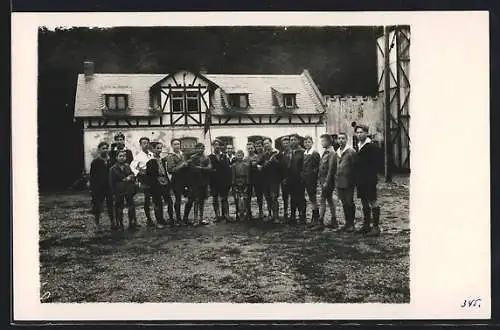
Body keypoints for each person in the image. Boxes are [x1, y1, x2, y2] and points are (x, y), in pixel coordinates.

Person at [354, 124, 381, 236]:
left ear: (366, 133)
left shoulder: (372, 146)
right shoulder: (359, 146)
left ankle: (375, 227)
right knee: (363, 201)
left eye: (361, 132)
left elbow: (377, 164)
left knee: (372, 201)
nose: (359, 134)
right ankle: (366, 225)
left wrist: (371, 175)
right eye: (357, 132)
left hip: (369, 178)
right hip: (360, 179)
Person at [145, 141, 174, 229]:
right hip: (155, 183)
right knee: (158, 203)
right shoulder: (150, 160)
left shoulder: (161, 159)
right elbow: (150, 174)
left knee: (169, 201)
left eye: (160, 148)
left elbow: (164, 171)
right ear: (152, 149)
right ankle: (159, 221)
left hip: (164, 181)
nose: (159, 150)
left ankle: (171, 219)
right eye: (157, 148)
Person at [109, 150, 138, 231]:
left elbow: (132, 174)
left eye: (124, 156)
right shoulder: (113, 168)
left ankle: (132, 223)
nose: (122, 158)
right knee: (119, 207)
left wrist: (131, 177)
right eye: (120, 156)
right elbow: (111, 182)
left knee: (131, 205)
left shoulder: (127, 166)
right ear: (116, 157)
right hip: (119, 189)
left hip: (128, 188)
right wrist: (113, 192)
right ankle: (120, 224)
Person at [89, 141, 115, 231]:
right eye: (103, 148)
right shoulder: (95, 162)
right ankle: (97, 223)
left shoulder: (111, 161)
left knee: (110, 205)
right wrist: (92, 189)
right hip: (98, 187)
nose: (105, 150)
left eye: (106, 148)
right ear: (99, 150)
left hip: (109, 186)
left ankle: (113, 223)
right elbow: (92, 176)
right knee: (97, 206)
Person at [336, 132, 357, 232]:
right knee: (344, 202)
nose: (341, 140)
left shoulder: (350, 151)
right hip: (340, 181)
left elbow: (355, 166)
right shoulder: (338, 152)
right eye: (339, 138)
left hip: (348, 181)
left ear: (346, 139)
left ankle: (351, 224)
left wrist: (353, 179)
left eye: (343, 138)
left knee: (349, 202)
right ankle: (347, 222)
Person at [316, 134, 338, 230]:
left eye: (323, 141)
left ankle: (320, 221)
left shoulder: (331, 152)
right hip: (323, 180)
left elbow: (331, 169)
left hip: (327, 181)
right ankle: (334, 221)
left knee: (322, 200)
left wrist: (327, 182)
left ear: (329, 141)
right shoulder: (326, 152)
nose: (322, 143)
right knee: (329, 199)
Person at [130, 137, 154, 227]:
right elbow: (132, 167)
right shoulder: (138, 156)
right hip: (145, 178)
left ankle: (157, 217)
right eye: (143, 143)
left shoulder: (151, 154)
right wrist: (138, 173)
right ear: (140, 145)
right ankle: (149, 219)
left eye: (147, 143)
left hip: (153, 178)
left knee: (155, 198)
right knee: (147, 198)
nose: (146, 145)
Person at [166, 138, 189, 226]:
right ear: (172, 146)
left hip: (185, 179)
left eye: (178, 144)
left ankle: (185, 218)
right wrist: (182, 165)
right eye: (175, 144)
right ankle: (178, 219)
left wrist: (186, 165)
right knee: (178, 199)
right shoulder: (170, 156)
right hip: (176, 180)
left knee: (188, 198)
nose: (177, 146)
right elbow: (170, 170)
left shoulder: (183, 155)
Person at [257, 138, 280, 222]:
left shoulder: (277, 153)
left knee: (274, 197)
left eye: (267, 143)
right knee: (268, 198)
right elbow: (258, 164)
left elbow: (281, 166)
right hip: (265, 180)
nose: (266, 145)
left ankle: (276, 216)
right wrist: (259, 166)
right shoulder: (264, 154)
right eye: (265, 144)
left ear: (271, 143)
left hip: (274, 179)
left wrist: (275, 161)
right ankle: (270, 214)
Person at [189, 142, 212, 226]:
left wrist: (201, 168)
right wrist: (201, 169)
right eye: (198, 148)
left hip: (204, 182)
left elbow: (210, 168)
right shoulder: (192, 158)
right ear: (195, 149)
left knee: (202, 200)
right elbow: (192, 168)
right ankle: (195, 219)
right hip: (195, 182)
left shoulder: (206, 158)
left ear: (204, 149)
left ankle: (201, 218)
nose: (200, 150)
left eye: (202, 148)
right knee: (196, 200)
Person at [209, 139, 232, 222]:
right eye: (215, 145)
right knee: (215, 198)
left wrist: (229, 182)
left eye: (218, 145)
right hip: (214, 181)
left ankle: (226, 214)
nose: (217, 146)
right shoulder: (210, 157)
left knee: (224, 198)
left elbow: (228, 169)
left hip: (224, 181)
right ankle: (217, 215)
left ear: (220, 146)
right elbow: (209, 170)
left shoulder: (224, 156)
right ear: (213, 146)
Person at [301, 136, 321, 226]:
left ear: (312, 143)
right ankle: (313, 217)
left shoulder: (314, 152)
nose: (307, 144)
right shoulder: (305, 153)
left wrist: (312, 175)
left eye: (309, 142)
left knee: (313, 198)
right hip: (305, 178)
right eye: (305, 142)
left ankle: (315, 217)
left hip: (311, 179)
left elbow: (317, 167)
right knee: (309, 197)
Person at [288, 134, 306, 224]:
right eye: (291, 140)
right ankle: (293, 216)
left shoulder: (302, 151)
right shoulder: (290, 152)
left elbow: (304, 166)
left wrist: (302, 176)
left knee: (301, 198)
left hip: (299, 179)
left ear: (298, 141)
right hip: (291, 179)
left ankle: (302, 216)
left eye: (294, 140)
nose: (292, 141)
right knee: (292, 198)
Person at [231, 150, 251, 221]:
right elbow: (233, 176)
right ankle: (237, 213)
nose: (239, 157)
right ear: (236, 156)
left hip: (244, 183)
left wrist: (247, 185)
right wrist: (233, 185)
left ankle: (246, 213)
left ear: (243, 156)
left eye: (241, 155)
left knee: (245, 199)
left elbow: (247, 176)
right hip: (236, 183)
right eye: (238, 155)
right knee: (237, 199)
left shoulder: (246, 165)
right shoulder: (233, 165)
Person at [278, 136, 292, 222]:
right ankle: (286, 212)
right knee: (285, 196)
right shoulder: (281, 154)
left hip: (291, 177)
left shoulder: (292, 153)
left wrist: (288, 177)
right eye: (284, 143)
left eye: (287, 143)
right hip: (283, 178)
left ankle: (293, 213)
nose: (286, 145)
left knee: (293, 197)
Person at [244, 142, 258, 220]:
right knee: (248, 197)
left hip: (257, 179)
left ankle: (261, 211)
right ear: (247, 149)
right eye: (248, 148)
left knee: (259, 196)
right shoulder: (245, 158)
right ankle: (248, 212)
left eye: (251, 148)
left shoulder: (257, 157)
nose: (250, 150)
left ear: (254, 148)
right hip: (248, 180)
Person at [252, 139, 265, 219]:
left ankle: (271, 212)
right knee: (259, 196)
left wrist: (261, 166)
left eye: (259, 146)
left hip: (265, 178)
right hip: (257, 179)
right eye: (256, 146)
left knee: (268, 196)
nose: (258, 147)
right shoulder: (255, 156)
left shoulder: (265, 154)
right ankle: (261, 211)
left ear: (262, 146)